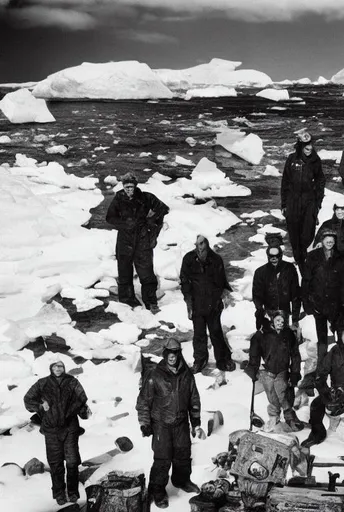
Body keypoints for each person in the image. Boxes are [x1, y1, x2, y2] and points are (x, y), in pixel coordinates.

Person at [136, 338, 206, 508]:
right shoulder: (154, 374)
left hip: (181, 422)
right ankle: (157, 489)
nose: (172, 357)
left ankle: (181, 480)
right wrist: (145, 423)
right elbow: (143, 401)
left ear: (178, 353)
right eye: (169, 353)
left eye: (175, 353)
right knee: (162, 458)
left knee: (183, 454)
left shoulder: (186, 374)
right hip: (161, 423)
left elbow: (193, 398)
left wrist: (195, 422)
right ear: (165, 354)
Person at [24, 360, 90, 506]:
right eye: (55, 366)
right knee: (56, 463)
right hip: (51, 429)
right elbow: (28, 399)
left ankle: (73, 492)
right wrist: (40, 406)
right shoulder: (43, 383)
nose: (58, 369)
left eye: (60, 366)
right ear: (51, 368)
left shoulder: (72, 382)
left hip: (70, 428)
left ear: (64, 368)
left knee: (72, 462)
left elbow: (82, 398)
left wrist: (70, 410)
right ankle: (59, 493)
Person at [106, 172, 169, 313]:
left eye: (131, 186)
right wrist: (124, 223)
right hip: (124, 241)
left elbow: (163, 209)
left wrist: (151, 221)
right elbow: (110, 217)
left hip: (142, 240)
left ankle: (151, 302)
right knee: (124, 272)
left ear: (135, 186)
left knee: (146, 272)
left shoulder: (146, 197)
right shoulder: (119, 198)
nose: (129, 189)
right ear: (123, 187)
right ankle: (127, 300)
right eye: (127, 187)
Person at [302, 326, 344, 449]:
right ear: (340, 337)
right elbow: (323, 369)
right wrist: (325, 388)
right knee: (316, 405)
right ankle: (317, 433)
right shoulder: (335, 350)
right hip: (336, 388)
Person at [179, 235, 235, 374]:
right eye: (197, 244)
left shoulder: (216, 259)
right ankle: (200, 360)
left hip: (212, 302)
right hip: (196, 302)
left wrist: (219, 299)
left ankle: (223, 360)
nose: (200, 247)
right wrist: (188, 301)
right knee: (199, 334)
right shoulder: (188, 259)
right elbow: (185, 280)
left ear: (207, 244)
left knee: (216, 332)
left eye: (202, 243)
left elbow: (221, 282)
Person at [245, 310, 304, 432]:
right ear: (272, 320)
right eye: (277, 320)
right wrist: (253, 367)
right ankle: (274, 418)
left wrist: (295, 372)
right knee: (272, 396)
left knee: (282, 393)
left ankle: (289, 416)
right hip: (268, 371)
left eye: (283, 321)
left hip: (283, 371)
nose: (280, 324)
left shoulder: (288, 334)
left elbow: (295, 355)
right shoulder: (262, 335)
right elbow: (254, 353)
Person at [302, 229, 344, 371]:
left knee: (340, 335)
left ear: (335, 241)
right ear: (321, 241)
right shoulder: (312, 257)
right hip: (318, 304)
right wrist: (307, 303)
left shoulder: (341, 257)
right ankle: (322, 367)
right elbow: (306, 281)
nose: (329, 241)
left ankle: (342, 365)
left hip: (336, 305)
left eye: (332, 239)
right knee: (321, 338)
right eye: (326, 239)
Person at [281, 131, 326, 272]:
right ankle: (300, 261)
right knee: (294, 234)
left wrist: (318, 203)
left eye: (311, 148)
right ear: (300, 147)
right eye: (306, 148)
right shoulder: (291, 159)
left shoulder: (315, 160)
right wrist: (283, 204)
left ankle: (305, 254)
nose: (309, 151)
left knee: (307, 233)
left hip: (309, 201)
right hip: (293, 201)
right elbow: (285, 182)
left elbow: (320, 181)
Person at [252, 245, 300, 331]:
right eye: (271, 256)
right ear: (267, 256)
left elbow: (295, 294)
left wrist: (295, 319)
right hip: (268, 313)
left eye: (276, 256)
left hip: (284, 312)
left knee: (283, 338)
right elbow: (257, 295)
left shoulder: (289, 269)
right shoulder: (260, 272)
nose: (274, 259)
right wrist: (261, 313)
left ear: (281, 255)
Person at [314, 195, 344, 276]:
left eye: (343, 209)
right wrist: (320, 243)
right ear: (334, 210)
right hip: (329, 256)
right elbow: (318, 240)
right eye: (337, 209)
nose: (340, 212)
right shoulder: (328, 224)